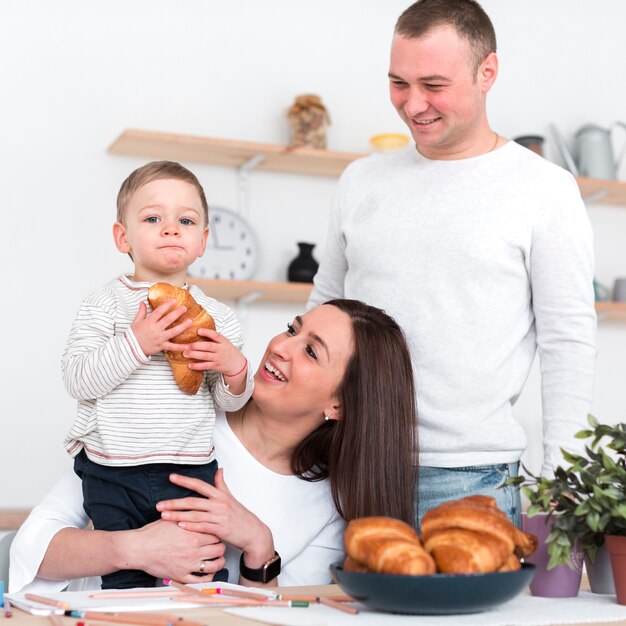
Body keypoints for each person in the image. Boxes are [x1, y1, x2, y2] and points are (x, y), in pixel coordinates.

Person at [308, 0, 596, 529]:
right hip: (352, 462)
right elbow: (323, 313)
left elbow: (568, 338)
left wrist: (562, 478)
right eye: (398, 82)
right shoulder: (361, 180)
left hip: (470, 480)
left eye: (433, 85)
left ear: (487, 72)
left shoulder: (544, 189)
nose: (413, 104)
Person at [10, 299, 417, 593]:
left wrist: (259, 545)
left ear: (339, 404)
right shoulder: (174, 415)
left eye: (310, 351)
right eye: (293, 329)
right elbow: (32, 548)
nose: (280, 346)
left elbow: (281, 617)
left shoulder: (329, 504)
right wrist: (132, 548)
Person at [62, 160, 254, 588]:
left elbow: (229, 402)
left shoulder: (218, 317)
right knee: (127, 581)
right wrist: (138, 343)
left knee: (201, 572)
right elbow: (77, 379)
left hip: (188, 470)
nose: (170, 229)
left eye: (185, 220)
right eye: (153, 218)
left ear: (203, 241)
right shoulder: (105, 305)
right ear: (122, 236)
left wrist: (234, 368)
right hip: (112, 469)